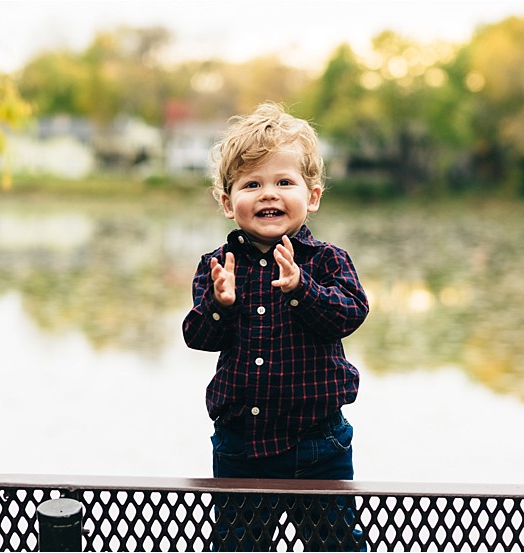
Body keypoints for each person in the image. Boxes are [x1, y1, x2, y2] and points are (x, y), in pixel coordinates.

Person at [182, 103, 369, 551]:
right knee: (236, 546)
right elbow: (197, 337)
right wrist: (220, 305)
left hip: (318, 444)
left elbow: (350, 314)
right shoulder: (217, 268)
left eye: (284, 182)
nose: (269, 193)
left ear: (313, 196)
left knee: (336, 545)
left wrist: (302, 289)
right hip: (240, 447)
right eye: (252, 184)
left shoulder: (327, 261)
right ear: (228, 203)